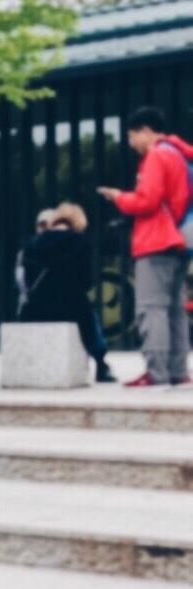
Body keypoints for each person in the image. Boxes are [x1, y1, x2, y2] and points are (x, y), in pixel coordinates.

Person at [98, 106, 192, 388]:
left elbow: (147, 201)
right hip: (179, 242)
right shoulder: (178, 154)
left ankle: (156, 372)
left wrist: (118, 197)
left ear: (147, 131)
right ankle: (178, 371)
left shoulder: (157, 156)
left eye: (132, 136)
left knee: (151, 308)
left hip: (157, 241)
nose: (131, 144)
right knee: (174, 310)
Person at [19, 202, 116, 383]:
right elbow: (87, 281)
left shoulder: (33, 243)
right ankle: (101, 364)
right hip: (71, 305)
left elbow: (25, 278)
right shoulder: (80, 242)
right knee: (89, 317)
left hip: (37, 307)